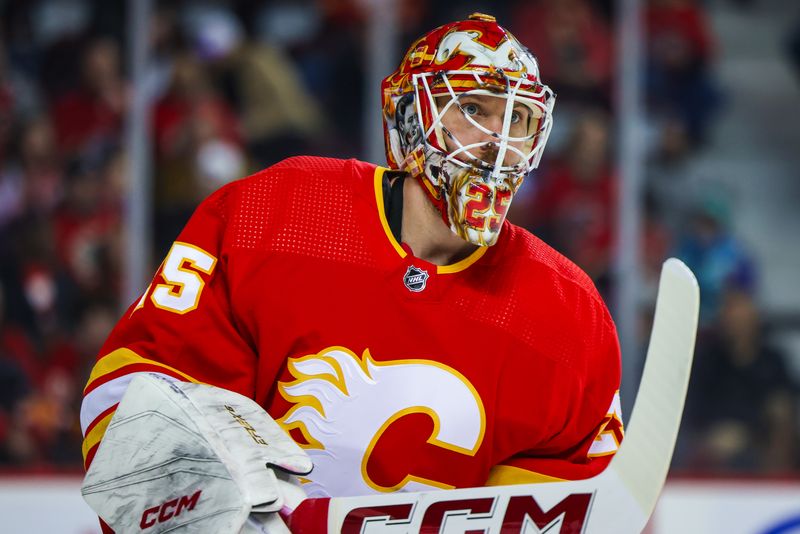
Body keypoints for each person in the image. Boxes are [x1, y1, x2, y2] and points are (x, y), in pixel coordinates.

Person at [80, 13, 623, 532]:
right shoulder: (275, 213)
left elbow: (561, 504)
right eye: (476, 110)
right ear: (411, 117)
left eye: (518, 119)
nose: (499, 143)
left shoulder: (569, 315)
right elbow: (129, 399)